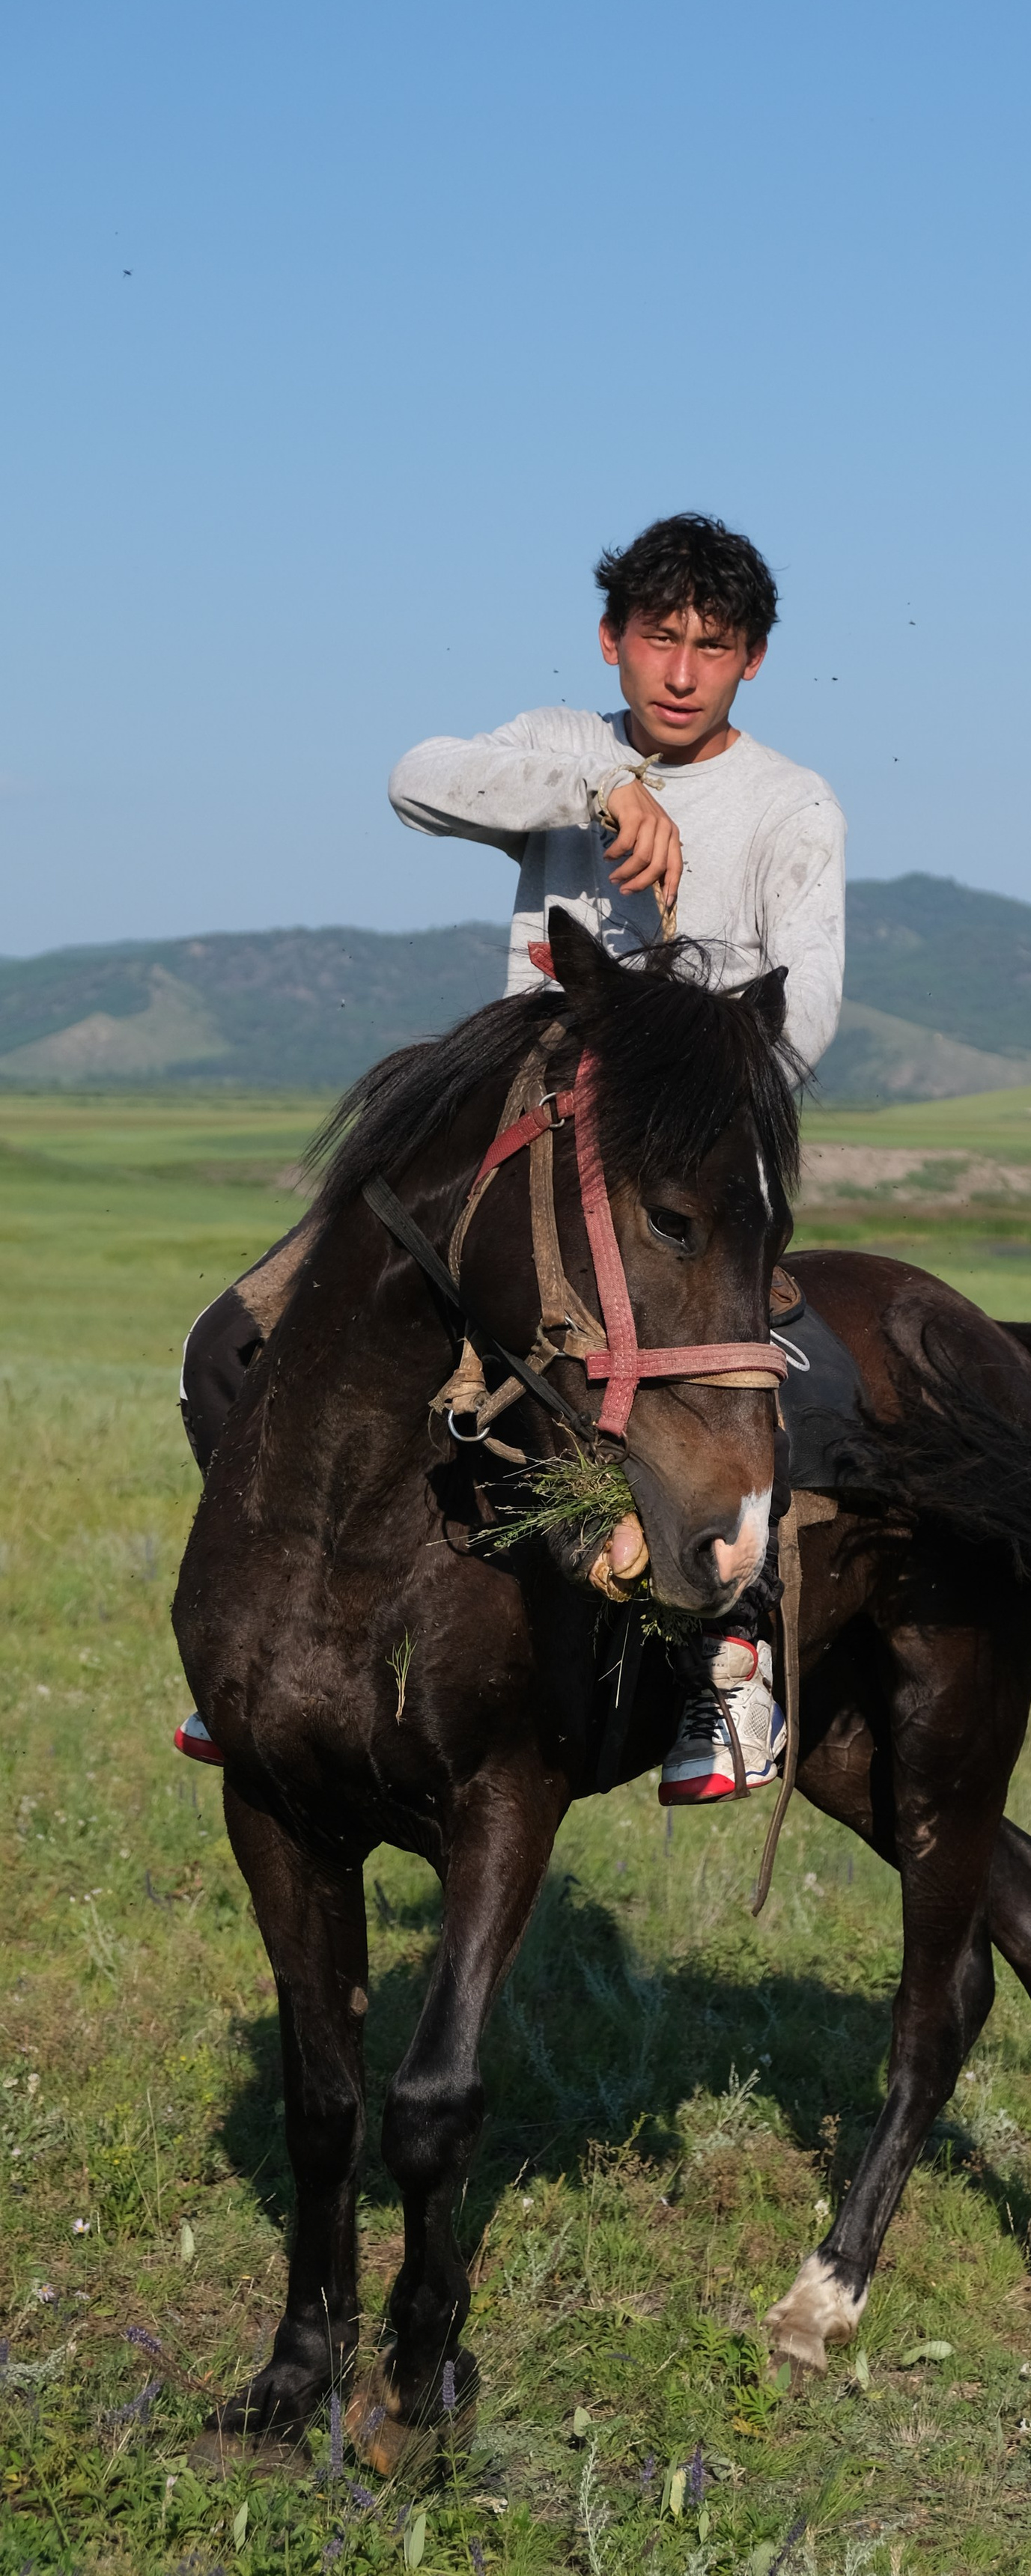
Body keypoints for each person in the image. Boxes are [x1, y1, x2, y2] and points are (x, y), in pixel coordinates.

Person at [178, 513, 845, 1809]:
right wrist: (600, 794)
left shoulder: (791, 806)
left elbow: (802, 1009)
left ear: (752, 662)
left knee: (747, 1389)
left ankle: (730, 1658)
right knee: (230, 1347)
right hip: (510, 1155)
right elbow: (416, 777)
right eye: (659, 638)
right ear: (613, 641)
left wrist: (673, 1059)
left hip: (677, 1178)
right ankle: (254, 1644)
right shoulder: (560, 749)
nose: (680, 670)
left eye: (713, 647)